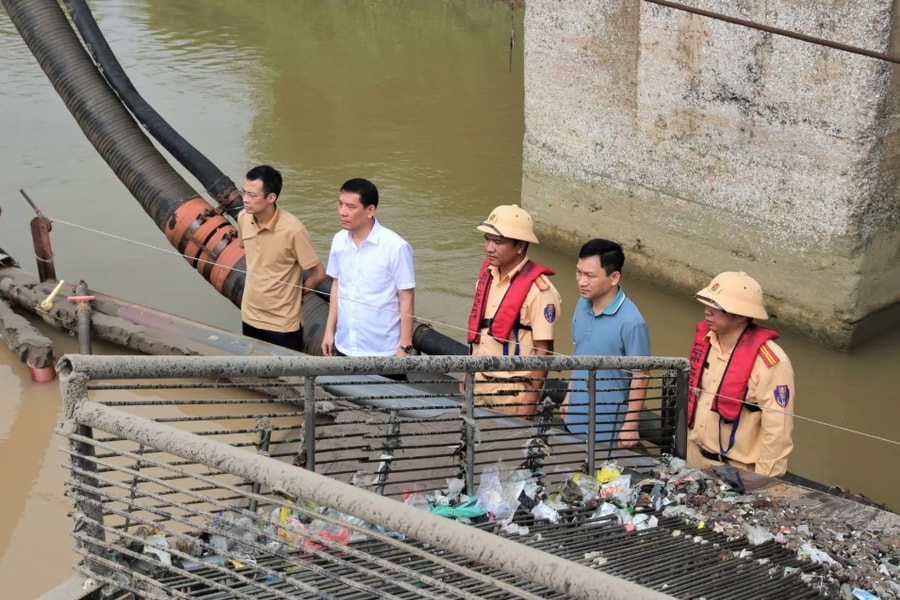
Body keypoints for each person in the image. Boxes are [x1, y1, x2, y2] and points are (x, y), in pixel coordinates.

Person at [687, 271, 795, 477]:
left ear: (741, 316)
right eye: (708, 303)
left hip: (736, 472)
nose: (707, 312)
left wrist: (763, 482)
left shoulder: (770, 362)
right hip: (694, 458)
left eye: (717, 307)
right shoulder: (706, 342)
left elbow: (777, 432)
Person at [467, 204, 562, 418]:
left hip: (512, 393)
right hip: (479, 383)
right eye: (487, 239)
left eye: (498, 242)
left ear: (520, 246)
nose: (489, 248)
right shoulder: (487, 277)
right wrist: (468, 375)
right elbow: (479, 336)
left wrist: (529, 402)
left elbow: (543, 351)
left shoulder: (540, 291)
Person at [562, 239, 650, 448]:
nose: (581, 281)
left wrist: (630, 426)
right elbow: (579, 353)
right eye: (579, 272)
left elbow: (641, 375)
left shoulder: (633, 322)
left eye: (590, 275)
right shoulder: (581, 305)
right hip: (574, 418)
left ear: (614, 277)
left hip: (607, 429)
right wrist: (568, 396)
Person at [321, 178, 416, 362]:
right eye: (340, 204)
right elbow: (337, 286)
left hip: (382, 349)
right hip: (344, 344)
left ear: (370, 210)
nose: (342, 212)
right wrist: (329, 332)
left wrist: (405, 346)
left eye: (350, 207)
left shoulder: (395, 247)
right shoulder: (339, 240)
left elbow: (407, 297)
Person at [237, 165, 325, 352]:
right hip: (250, 316)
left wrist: (299, 294)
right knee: (254, 372)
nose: (245, 199)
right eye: (243, 192)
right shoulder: (243, 218)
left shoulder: (293, 229)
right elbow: (247, 250)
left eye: (252, 195)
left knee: (288, 378)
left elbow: (319, 274)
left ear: (271, 198)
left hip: (283, 324)